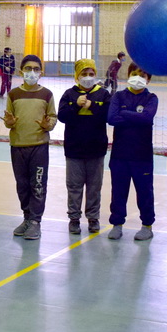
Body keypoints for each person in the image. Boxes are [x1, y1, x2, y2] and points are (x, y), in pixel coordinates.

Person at [2, 55, 58, 240]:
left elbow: (53, 118)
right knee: (22, 185)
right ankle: (26, 217)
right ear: (21, 71)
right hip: (18, 145)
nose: (31, 72)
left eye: (35, 69)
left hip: (39, 147)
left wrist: (47, 125)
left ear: (40, 72)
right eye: (28, 68)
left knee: (38, 185)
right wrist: (9, 123)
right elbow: (9, 120)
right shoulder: (13, 94)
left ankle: (35, 221)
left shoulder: (47, 94)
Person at [58, 59, 111, 235]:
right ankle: (74, 219)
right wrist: (75, 105)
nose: (88, 77)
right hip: (74, 150)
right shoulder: (69, 94)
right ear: (77, 75)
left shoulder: (103, 94)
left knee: (94, 186)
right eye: (84, 74)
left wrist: (92, 105)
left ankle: (93, 218)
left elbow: (109, 115)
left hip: (96, 150)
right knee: (74, 186)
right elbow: (62, 116)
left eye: (91, 74)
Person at [107, 63, 158, 241]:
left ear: (148, 79)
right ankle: (117, 224)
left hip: (142, 156)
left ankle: (147, 225)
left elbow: (147, 117)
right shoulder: (119, 96)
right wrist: (135, 116)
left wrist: (125, 113)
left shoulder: (151, 98)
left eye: (143, 75)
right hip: (120, 154)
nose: (139, 77)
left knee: (144, 192)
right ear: (129, 75)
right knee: (118, 191)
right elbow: (111, 118)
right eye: (135, 74)